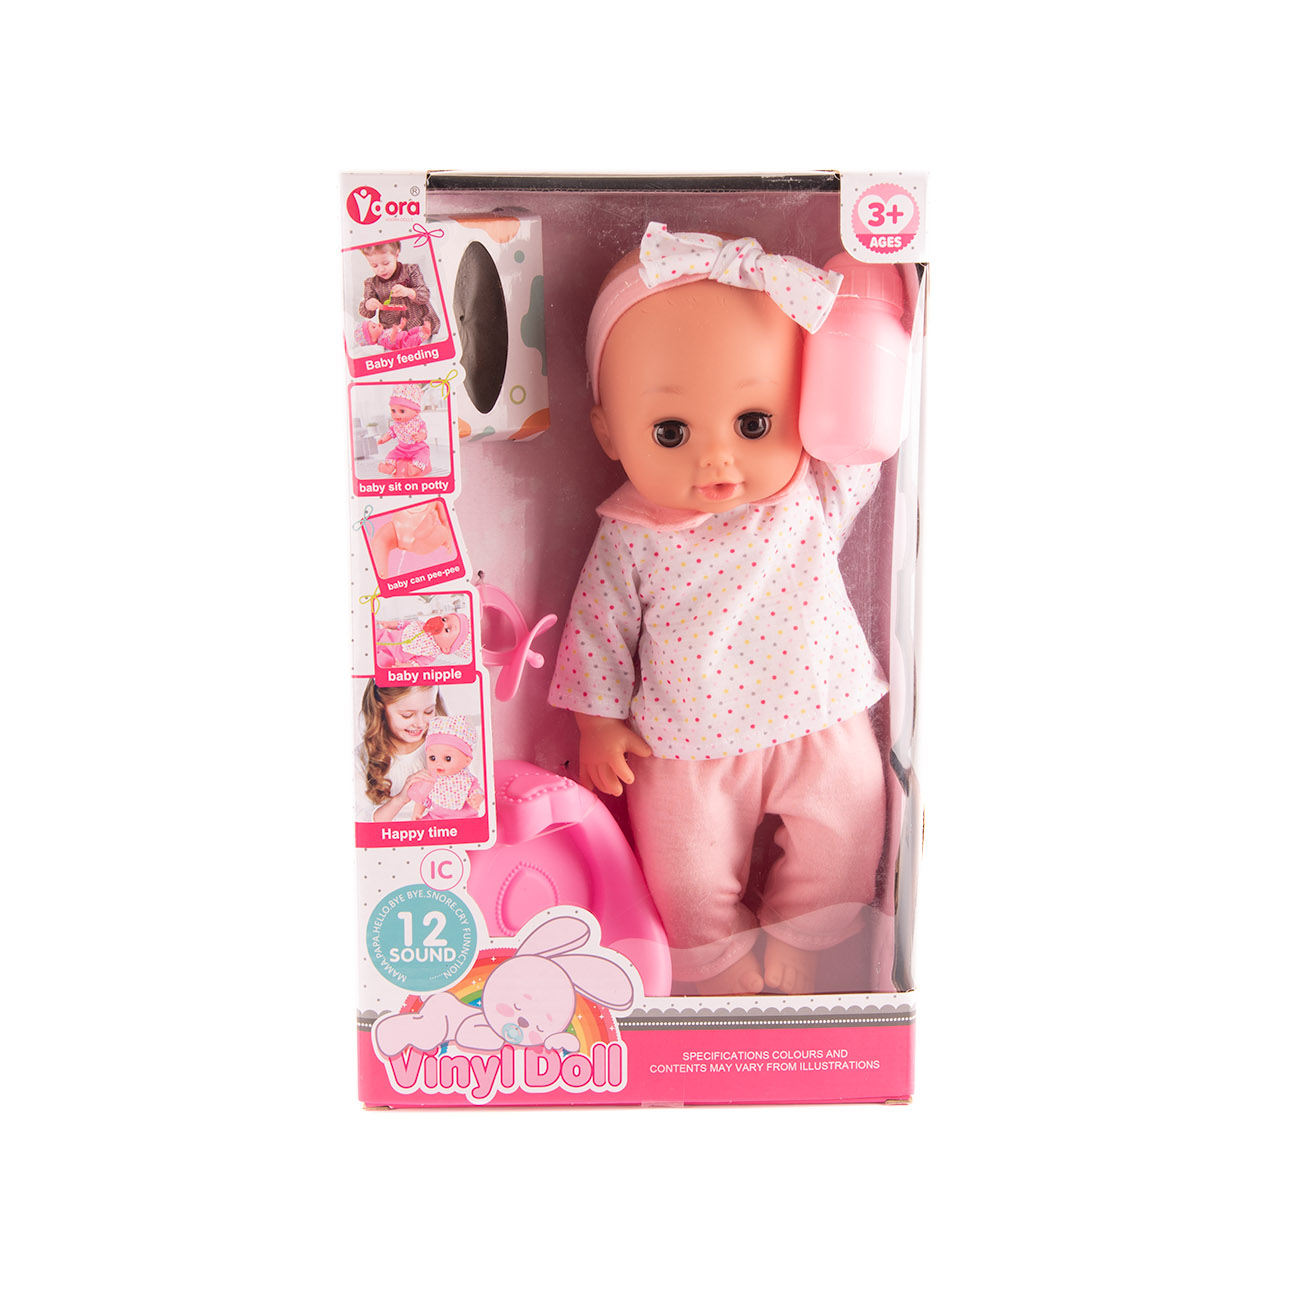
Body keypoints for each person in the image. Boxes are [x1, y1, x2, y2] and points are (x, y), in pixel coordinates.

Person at [548, 223, 890, 996]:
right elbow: (599, 628)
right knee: (684, 873)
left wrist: (868, 323)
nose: (718, 458)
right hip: (687, 739)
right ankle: (717, 961)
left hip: (820, 710)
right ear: (609, 433)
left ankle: (806, 934)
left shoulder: (811, 494)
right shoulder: (632, 532)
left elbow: (863, 435)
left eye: (754, 423)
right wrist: (597, 722)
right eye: (671, 432)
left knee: (847, 831)